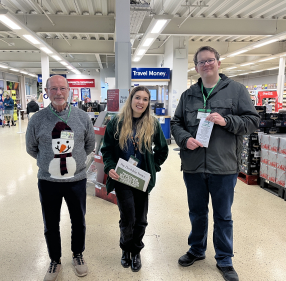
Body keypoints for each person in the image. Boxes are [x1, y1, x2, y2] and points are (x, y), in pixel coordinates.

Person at [171, 46, 259, 281]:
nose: (206, 65)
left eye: (210, 60)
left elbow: (252, 121)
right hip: (193, 165)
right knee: (197, 212)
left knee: (223, 215)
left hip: (224, 165)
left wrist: (226, 120)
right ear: (196, 67)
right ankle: (197, 250)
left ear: (218, 63)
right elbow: (176, 122)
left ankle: (224, 258)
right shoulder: (189, 94)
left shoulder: (236, 90)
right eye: (201, 62)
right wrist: (184, 138)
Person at [26, 75, 95, 281]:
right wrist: (49, 162)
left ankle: (78, 254)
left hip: (76, 181)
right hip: (48, 182)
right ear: (46, 92)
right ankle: (54, 260)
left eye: (62, 88)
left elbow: (89, 144)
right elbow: (31, 148)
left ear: (69, 90)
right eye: (53, 89)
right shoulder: (37, 120)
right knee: (51, 223)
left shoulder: (82, 117)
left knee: (78, 220)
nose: (58, 93)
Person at [101, 86, 169, 272]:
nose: (141, 102)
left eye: (145, 99)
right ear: (131, 99)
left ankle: (136, 250)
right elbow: (106, 150)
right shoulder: (116, 122)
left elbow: (162, 150)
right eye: (137, 97)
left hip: (142, 179)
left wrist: (152, 168)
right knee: (127, 216)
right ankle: (126, 249)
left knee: (141, 218)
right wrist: (110, 167)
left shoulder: (152, 124)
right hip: (123, 178)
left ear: (148, 103)